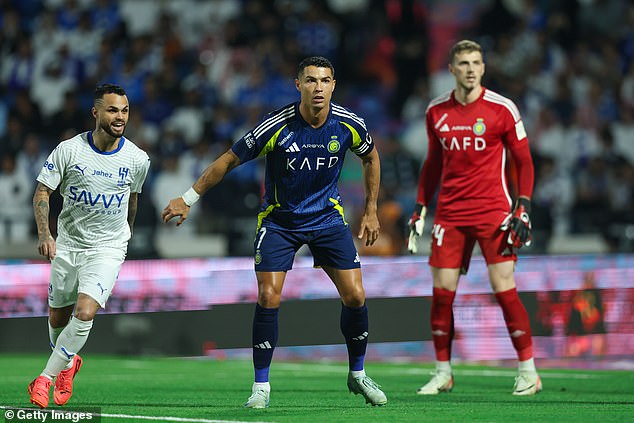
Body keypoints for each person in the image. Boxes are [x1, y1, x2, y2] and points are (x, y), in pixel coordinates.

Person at [162, 56, 387, 408]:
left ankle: (358, 374)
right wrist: (189, 197)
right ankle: (261, 386)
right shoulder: (277, 126)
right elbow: (229, 159)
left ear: (333, 85)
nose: (318, 87)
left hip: (327, 219)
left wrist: (371, 210)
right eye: (310, 80)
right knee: (269, 296)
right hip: (280, 222)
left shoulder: (349, 124)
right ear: (298, 85)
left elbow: (371, 157)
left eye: (325, 80)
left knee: (356, 296)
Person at [407, 40, 541, 396]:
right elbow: (433, 162)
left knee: (503, 288)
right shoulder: (436, 111)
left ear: (483, 68)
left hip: (493, 210)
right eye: (463, 63)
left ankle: (528, 371)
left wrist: (523, 205)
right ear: (451, 69)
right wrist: (421, 206)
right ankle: (442, 372)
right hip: (450, 214)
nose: (470, 69)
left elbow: (524, 161)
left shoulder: (502, 108)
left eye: (476, 63)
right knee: (441, 295)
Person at [28, 84, 150, 408]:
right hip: (68, 245)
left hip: (107, 248)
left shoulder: (137, 158)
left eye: (124, 110)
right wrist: (45, 235)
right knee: (57, 319)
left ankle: (45, 378)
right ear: (95, 112)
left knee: (84, 312)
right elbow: (42, 193)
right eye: (112, 110)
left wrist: (127, 236)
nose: (120, 117)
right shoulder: (69, 150)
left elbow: (132, 200)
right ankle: (68, 364)